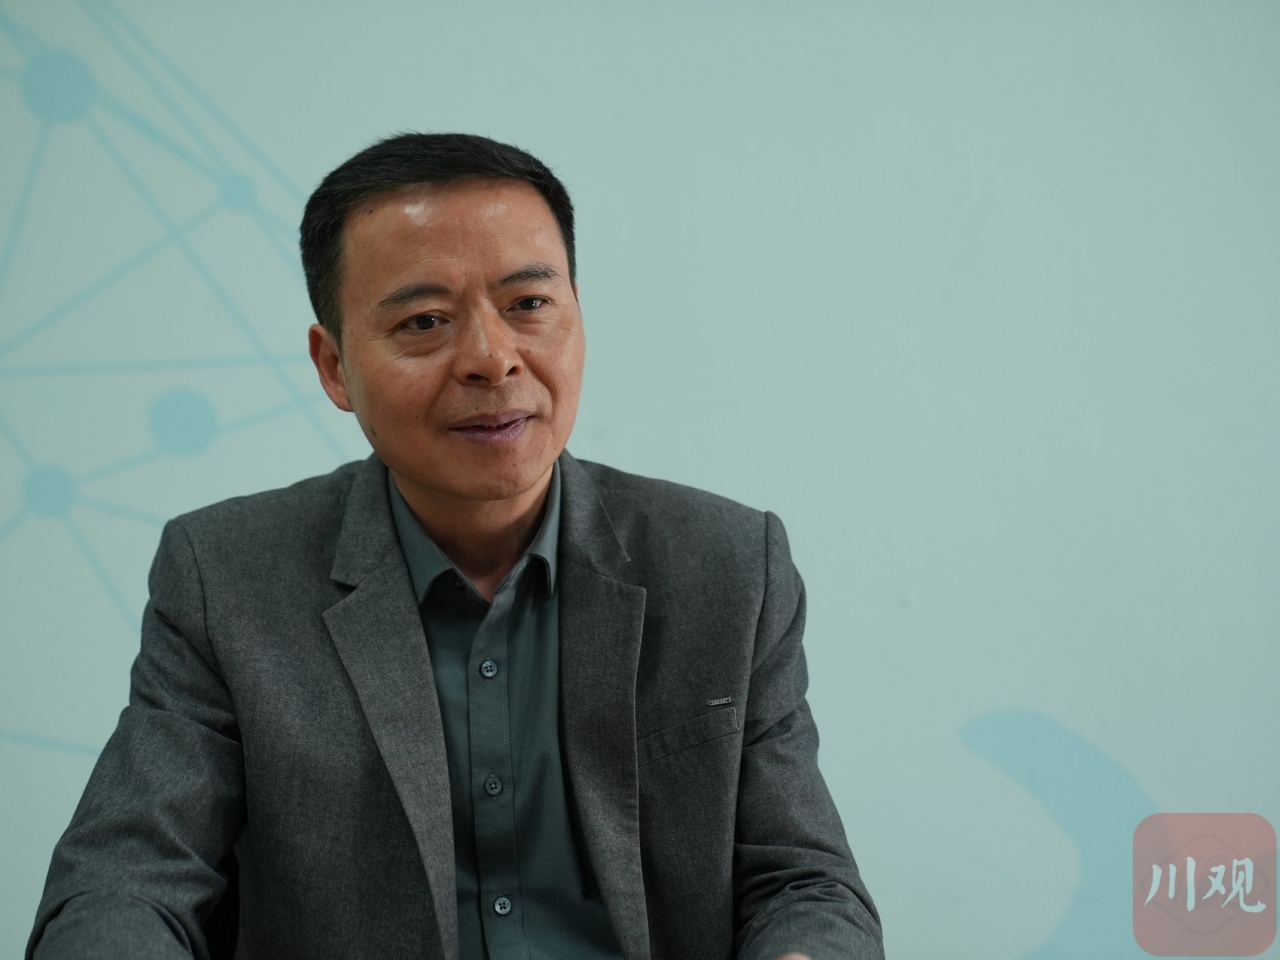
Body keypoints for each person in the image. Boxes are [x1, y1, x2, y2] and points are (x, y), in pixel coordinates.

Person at [27, 133, 884, 960]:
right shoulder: (225, 577)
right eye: (425, 320)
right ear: (334, 367)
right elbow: (126, 881)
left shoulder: (728, 565)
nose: (491, 359)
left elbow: (803, 883)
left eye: (529, 305)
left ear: (579, 319)